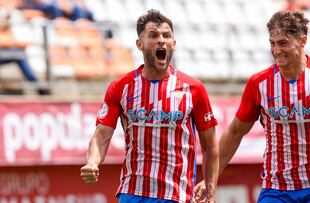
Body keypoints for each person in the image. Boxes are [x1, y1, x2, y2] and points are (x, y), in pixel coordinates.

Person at [193, 10, 310, 203]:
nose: (276, 50)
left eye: (283, 43)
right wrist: (209, 179)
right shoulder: (260, 84)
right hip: (276, 190)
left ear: (303, 41)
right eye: (272, 43)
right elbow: (235, 132)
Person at [80, 9, 219, 203]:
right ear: (139, 44)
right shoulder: (121, 87)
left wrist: (211, 191)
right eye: (153, 35)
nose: (161, 40)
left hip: (176, 195)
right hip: (133, 192)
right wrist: (92, 162)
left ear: (174, 44)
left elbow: (210, 145)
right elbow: (102, 134)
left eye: (167, 36)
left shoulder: (193, 89)